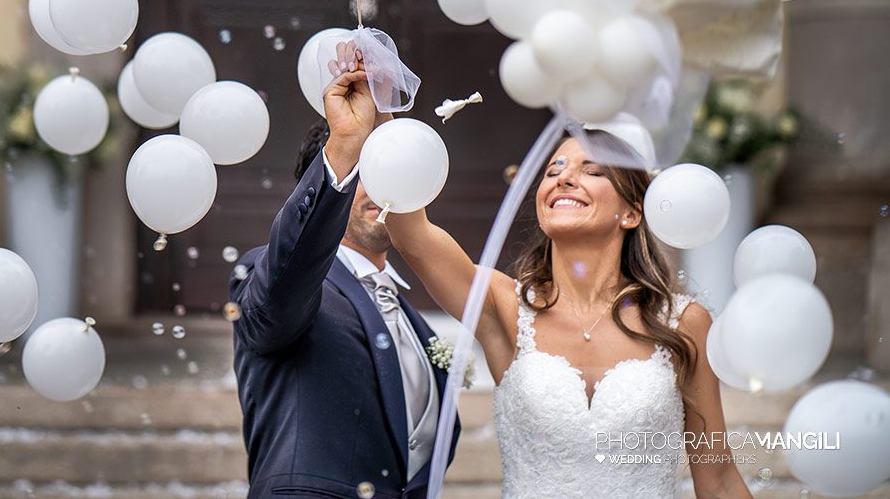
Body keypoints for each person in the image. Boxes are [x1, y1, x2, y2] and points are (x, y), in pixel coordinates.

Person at [380, 129, 755, 498]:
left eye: (592, 171)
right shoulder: (503, 306)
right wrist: (380, 98)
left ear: (632, 212)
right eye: (553, 171)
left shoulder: (683, 323)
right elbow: (411, 233)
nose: (565, 179)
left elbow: (717, 479)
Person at [230, 52, 461, 498]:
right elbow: (278, 295)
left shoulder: (415, 325)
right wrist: (346, 142)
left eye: (390, 171)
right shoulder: (272, 275)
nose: (379, 187)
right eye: (364, 171)